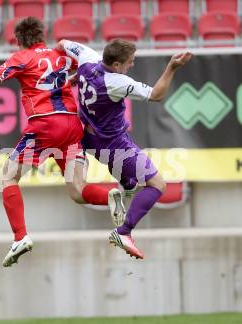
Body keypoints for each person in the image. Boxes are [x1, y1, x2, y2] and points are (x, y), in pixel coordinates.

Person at [0, 17, 125, 267]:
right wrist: (74, 79)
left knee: (8, 177)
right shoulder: (61, 54)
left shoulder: (22, 58)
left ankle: (20, 237)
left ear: (20, 40)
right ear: (41, 35)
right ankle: (109, 195)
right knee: (78, 191)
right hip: (71, 124)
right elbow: (92, 68)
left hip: (46, 124)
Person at [57, 38, 192, 259]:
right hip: (114, 144)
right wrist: (171, 67)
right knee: (157, 185)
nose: (132, 65)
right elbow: (156, 95)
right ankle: (124, 232)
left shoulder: (87, 58)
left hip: (88, 138)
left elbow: (62, 43)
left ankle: (127, 184)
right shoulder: (116, 82)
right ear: (117, 64)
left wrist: (72, 77)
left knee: (128, 181)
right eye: (129, 62)